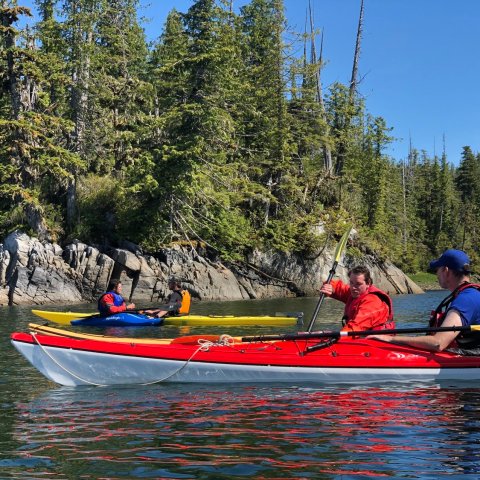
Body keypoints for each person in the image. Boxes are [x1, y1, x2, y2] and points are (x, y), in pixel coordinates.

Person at [368, 249, 480, 352]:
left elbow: (438, 343)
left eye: (437, 270)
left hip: (467, 363)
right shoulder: (469, 294)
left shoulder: (466, 299)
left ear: (446, 271)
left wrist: (391, 339)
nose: (436, 274)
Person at [320, 265, 394, 332]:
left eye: (358, 284)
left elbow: (356, 327)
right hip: (360, 336)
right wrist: (329, 287)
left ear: (368, 283)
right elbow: (338, 287)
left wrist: (335, 337)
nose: (353, 287)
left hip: (375, 342)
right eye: (351, 283)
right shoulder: (354, 293)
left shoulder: (372, 302)